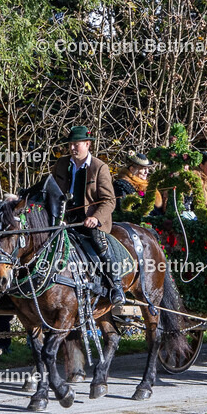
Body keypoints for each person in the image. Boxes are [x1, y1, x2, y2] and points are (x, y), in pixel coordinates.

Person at [52, 125, 124, 305]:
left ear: (87, 144)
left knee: (98, 241)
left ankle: (116, 286)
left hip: (91, 221)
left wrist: (96, 218)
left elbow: (109, 200)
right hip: (65, 218)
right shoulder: (61, 164)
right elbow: (49, 189)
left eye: (77, 144)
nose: (73, 148)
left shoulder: (99, 168)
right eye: (71, 144)